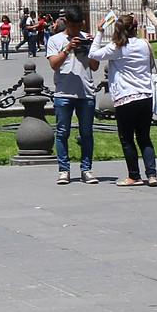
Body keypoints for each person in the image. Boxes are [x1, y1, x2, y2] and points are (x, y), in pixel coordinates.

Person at [91, 13, 157, 187]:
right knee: (144, 136)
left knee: (127, 138)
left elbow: (93, 54)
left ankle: (134, 176)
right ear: (135, 28)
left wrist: (99, 32)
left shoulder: (117, 47)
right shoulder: (145, 44)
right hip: (145, 95)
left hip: (125, 97)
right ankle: (152, 175)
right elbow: (150, 65)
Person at [47, 12, 99, 184]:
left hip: (86, 92)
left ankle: (86, 169)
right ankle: (64, 170)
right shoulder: (55, 40)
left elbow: (95, 66)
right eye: (73, 26)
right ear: (66, 23)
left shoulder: (87, 38)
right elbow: (54, 65)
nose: (77, 29)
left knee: (86, 133)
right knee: (62, 132)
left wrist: (90, 47)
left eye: (79, 26)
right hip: (63, 93)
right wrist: (68, 48)